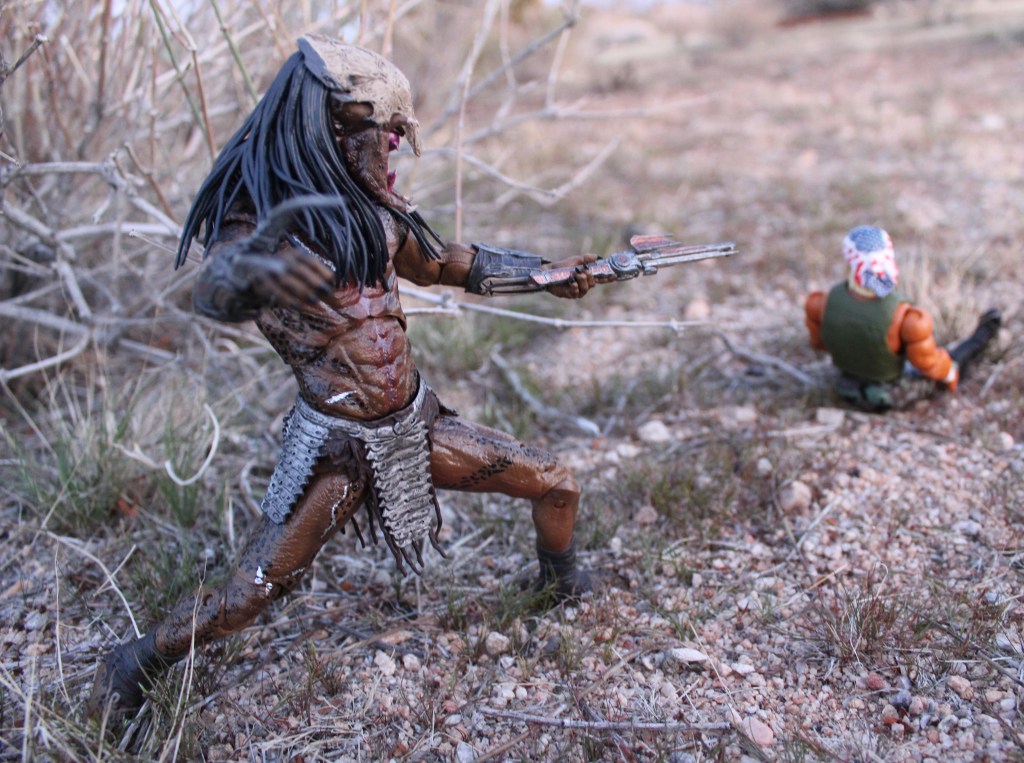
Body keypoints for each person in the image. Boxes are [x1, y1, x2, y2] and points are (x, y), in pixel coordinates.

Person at [89, 37, 599, 721]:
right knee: (249, 595)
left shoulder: (378, 217)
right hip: (335, 448)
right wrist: (257, 270)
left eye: (394, 136)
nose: (391, 149)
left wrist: (545, 274)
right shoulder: (257, 225)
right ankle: (133, 661)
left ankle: (561, 584)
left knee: (556, 482)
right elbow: (216, 287)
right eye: (381, 134)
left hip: (416, 426)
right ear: (332, 130)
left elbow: (451, 263)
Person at [805, 225, 1001, 411]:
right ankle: (982, 336)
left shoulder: (822, 302)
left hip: (845, 385)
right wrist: (950, 375)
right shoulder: (906, 318)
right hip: (889, 394)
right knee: (955, 357)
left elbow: (819, 343)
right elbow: (928, 363)